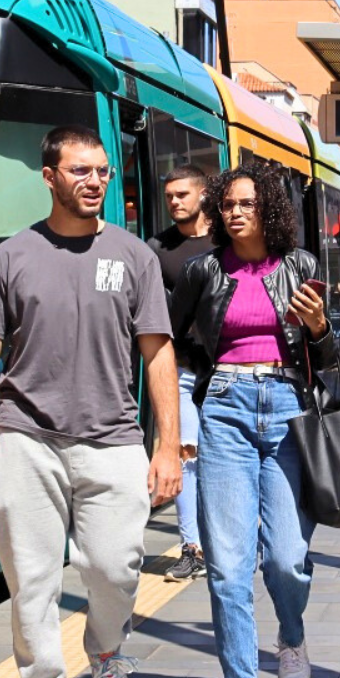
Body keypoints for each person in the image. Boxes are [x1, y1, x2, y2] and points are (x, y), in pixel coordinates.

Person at [0, 127, 183, 678]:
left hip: (113, 441)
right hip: (26, 437)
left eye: (103, 172)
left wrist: (168, 446)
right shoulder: (11, 257)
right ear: (48, 177)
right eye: (81, 171)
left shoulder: (134, 257)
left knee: (113, 566)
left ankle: (106, 652)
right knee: (31, 581)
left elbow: (158, 353)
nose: (95, 182)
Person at [169, 161, 339, 678]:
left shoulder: (301, 267)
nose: (235, 213)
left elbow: (331, 356)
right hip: (225, 410)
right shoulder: (203, 271)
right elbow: (170, 340)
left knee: (288, 557)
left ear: (268, 209)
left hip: (289, 410)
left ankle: (291, 638)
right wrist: (205, 384)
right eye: (228, 205)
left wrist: (319, 330)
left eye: (246, 204)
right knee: (229, 563)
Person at [147, 164, 214, 582]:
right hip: (183, 370)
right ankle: (192, 548)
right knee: (186, 458)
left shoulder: (227, 240)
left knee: (224, 460)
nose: (174, 201)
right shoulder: (158, 247)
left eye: (182, 194)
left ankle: (230, 540)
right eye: (169, 195)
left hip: (228, 372)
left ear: (203, 196)